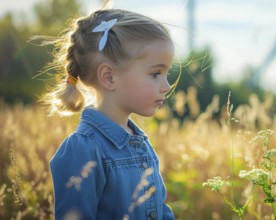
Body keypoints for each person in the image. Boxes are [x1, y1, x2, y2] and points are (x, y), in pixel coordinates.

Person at [40, 8, 176, 219]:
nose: (166, 85)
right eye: (156, 73)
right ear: (109, 77)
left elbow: (160, 210)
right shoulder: (82, 149)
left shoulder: (140, 143)